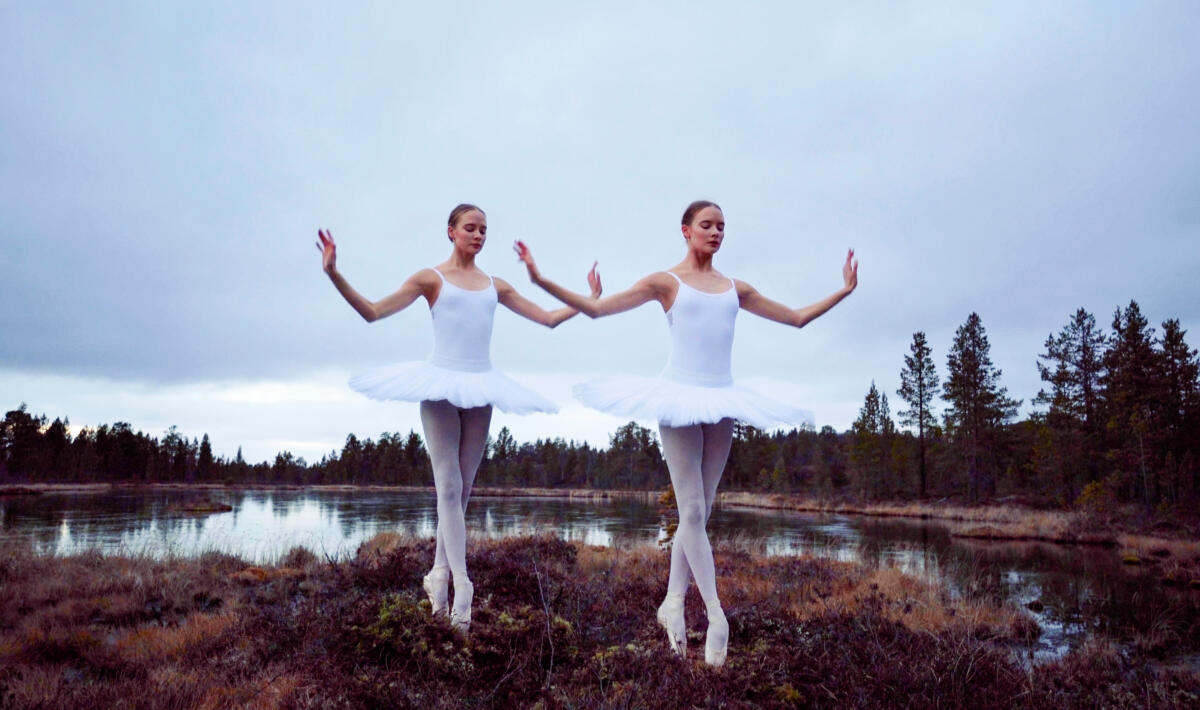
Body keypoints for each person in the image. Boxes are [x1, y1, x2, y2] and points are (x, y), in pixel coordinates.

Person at [515, 200, 857, 666]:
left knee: (699, 515)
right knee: (692, 509)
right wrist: (540, 280)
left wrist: (844, 291)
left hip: (722, 403)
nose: (716, 233)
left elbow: (796, 318)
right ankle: (717, 616)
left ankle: (672, 602)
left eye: (722, 227)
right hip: (677, 399)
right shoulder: (665, 282)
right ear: (686, 230)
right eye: (707, 225)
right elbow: (597, 310)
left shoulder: (735, 288)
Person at [317, 203, 597, 631]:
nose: (479, 235)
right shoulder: (431, 278)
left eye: (484, 229)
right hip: (439, 385)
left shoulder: (494, 286)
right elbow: (371, 312)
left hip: (481, 385)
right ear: (451, 231)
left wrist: (588, 302)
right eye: (471, 228)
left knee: (462, 492)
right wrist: (334, 273)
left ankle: (437, 575)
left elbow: (548, 319)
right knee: (448, 485)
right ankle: (461, 583)